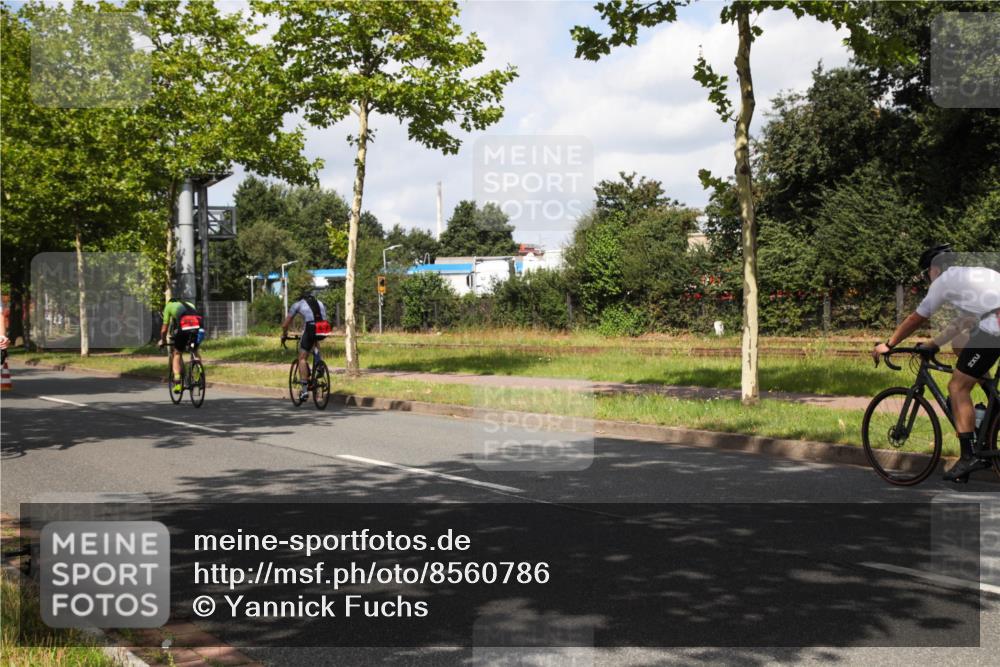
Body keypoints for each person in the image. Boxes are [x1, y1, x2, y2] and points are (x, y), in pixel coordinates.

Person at [872, 244, 1000, 482]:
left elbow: (916, 318)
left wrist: (889, 344)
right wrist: (934, 344)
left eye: (926, 273)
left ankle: (968, 457)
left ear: (935, 269)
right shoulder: (969, 277)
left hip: (996, 326)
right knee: (961, 348)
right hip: (992, 323)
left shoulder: (943, 281)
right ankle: (991, 414)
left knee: (957, 387)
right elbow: (964, 321)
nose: (927, 279)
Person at [281, 277, 330, 403]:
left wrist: (284, 335)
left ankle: (304, 391)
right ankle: (319, 364)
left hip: (311, 327)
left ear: (302, 297)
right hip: (324, 327)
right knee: (315, 341)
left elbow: (285, 324)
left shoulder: (298, 304)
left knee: (302, 358)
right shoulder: (320, 303)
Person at [158, 296, 204, 394]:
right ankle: (198, 369)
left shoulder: (168, 306)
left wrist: (162, 341)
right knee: (194, 350)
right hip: (199, 325)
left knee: (177, 353)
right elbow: (193, 318)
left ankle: (178, 382)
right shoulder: (190, 304)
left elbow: (164, 330)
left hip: (185, 326)